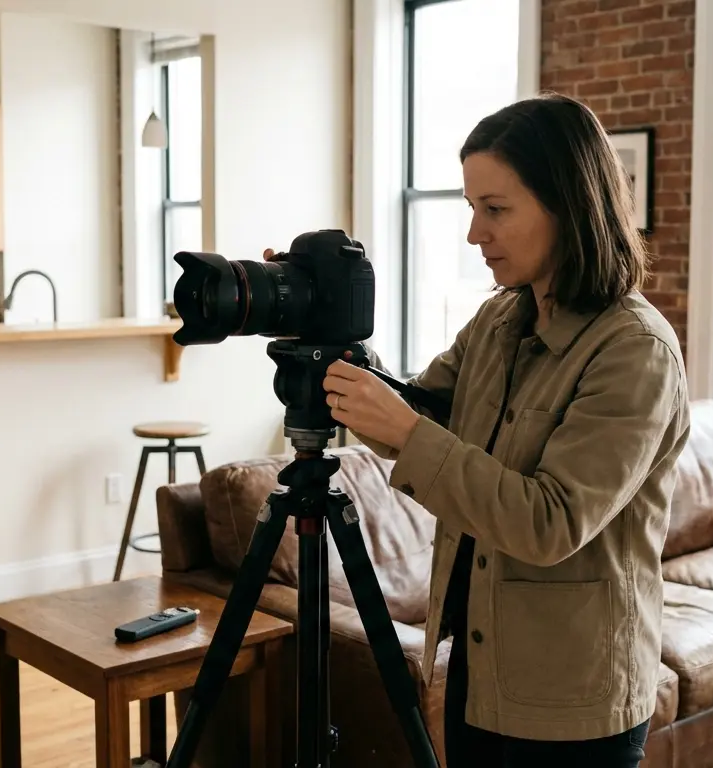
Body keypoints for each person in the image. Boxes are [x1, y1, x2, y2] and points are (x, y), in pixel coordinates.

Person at [271, 92, 689, 766]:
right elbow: (423, 410)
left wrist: (407, 429)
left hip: (573, 703)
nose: (474, 234)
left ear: (568, 204)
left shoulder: (635, 350)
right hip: (480, 670)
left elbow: (550, 522)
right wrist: (326, 330)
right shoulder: (499, 320)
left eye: (495, 209)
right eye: (472, 207)